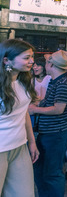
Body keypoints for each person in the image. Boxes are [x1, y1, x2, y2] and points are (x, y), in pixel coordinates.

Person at [29, 50, 67, 197]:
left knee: (52, 172)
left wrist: (35, 109)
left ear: (51, 65)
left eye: (47, 62)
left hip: (57, 132)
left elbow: (58, 109)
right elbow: (50, 103)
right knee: (41, 169)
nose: (44, 64)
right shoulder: (56, 81)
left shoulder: (63, 83)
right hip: (49, 132)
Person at [0, 39, 39, 196]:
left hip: (20, 147)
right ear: (6, 60)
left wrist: (32, 141)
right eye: (26, 57)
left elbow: (24, 114)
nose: (32, 61)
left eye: (32, 57)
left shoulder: (24, 81)